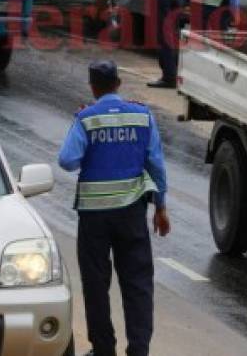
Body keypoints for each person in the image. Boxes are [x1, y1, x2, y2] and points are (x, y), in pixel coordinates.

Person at [58, 60, 170, 356]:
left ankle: (103, 349)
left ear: (93, 87)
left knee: (96, 286)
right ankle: (139, 350)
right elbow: (156, 165)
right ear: (118, 84)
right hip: (132, 214)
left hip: (94, 218)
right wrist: (160, 206)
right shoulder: (142, 116)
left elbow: (67, 160)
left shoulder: (86, 118)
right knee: (138, 284)